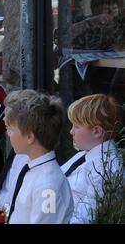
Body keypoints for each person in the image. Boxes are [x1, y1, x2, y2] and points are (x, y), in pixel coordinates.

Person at [3, 89, 73, 224]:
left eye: (10, 129)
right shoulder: (34, 170)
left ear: (29, 136)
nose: (8, 134)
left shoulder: (48, 185)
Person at [61, 94, 123, 224]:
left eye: (76, 126)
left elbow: (87, 217)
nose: (71, 131)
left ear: (96, 132)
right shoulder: (83, 154)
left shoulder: (107, 169)